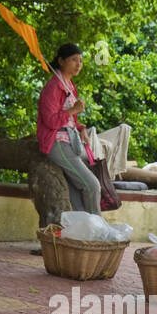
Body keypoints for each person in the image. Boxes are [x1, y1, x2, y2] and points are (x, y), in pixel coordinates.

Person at [37, 43, 100, 215]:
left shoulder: (69, 86)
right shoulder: (53, 87)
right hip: (57, 143)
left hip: (70, 142)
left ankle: (84, 231)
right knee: (92, 186)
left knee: (77, 192)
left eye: (80, 60)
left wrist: (82, 129)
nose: (78, 64)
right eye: (74, 60)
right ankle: (98, 227)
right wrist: (73, 110)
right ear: (61, 61)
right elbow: (50, 121)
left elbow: (71, 120)